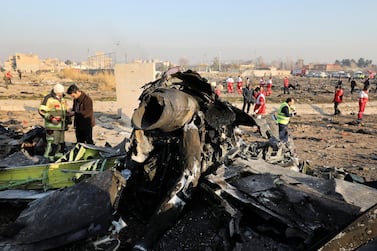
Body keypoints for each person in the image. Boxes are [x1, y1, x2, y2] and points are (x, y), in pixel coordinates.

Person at [38, 83, 69, 160]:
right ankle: (48, 159)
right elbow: (41, 111)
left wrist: (68, 117)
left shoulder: (63, 99)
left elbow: (65, 111)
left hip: (61, 126)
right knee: (52, 143)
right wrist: (51, 118)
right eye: (60, 92)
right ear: (56, 92)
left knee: (60, 143)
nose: (61, 94)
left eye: (62, 92)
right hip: (52, 126)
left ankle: (58, 157)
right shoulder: (48, 99)